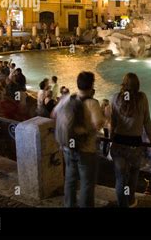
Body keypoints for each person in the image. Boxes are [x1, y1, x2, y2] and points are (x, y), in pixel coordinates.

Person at [52, 72, 104, 208]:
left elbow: (54, 114)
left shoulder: (69, 98)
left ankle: (69, 204)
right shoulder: (92, 103)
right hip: (86, 149)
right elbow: (98, 124)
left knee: (70, 179)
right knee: (87, 183)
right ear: (91, 85)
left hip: (67, 147)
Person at [110, 73, 151, 207]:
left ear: (123, 84)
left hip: (118, 144)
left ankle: (122, 205)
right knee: (133, 176)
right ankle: (130, 200)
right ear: (137, 85)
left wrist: (110, 138)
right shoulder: (142, 98)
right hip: (135, 146)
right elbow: (147, 122)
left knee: (120, 179)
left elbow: (113, 123)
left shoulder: (115, 98)